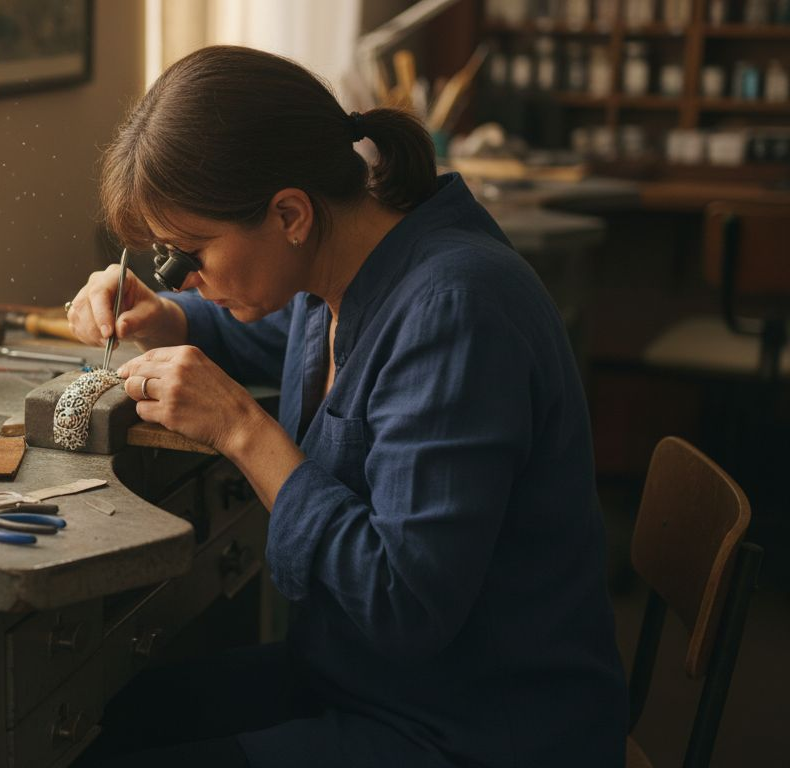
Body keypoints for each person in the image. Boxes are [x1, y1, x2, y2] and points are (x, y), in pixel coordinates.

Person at [66, 46, 627, 768]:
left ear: (290, 213)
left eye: (191, 252)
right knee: (118, 719)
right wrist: (172, 315)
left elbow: (405, 606)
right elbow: (287, 343)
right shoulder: (351, 264)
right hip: (372, 683)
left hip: (475, 724)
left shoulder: (456, 311)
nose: (183, 274)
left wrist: (243, 430)